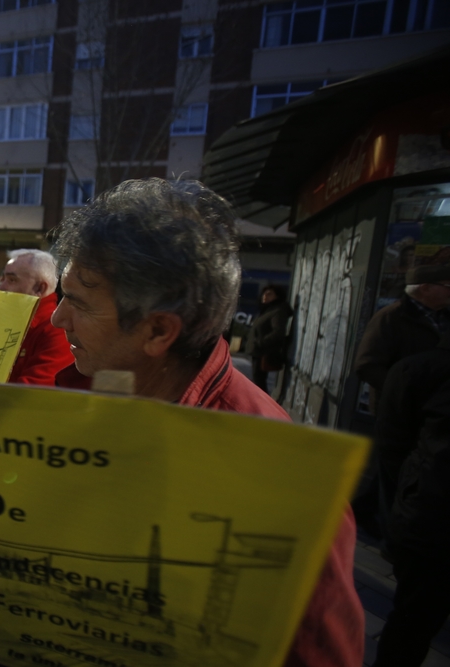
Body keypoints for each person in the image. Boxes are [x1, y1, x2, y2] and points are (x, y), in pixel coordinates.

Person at [42, 178, 363, 666]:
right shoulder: (95, 391)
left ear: (157, 330)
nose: (57, 320)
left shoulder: (279, 474)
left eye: (80, 304)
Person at [352, 264, 450, 535]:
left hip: (433, 411)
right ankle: (391, 532)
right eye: (447, 286)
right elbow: (367, 364)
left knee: (404, 469)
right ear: (425, 288)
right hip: (398, 410)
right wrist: (403, 391)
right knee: (394, 467)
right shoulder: (392, 317)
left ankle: (364, 511)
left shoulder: (444, 317)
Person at [372, 329, 450, 666]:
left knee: (412, 622)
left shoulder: (420, 369)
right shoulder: (423, 370)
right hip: (433, 520)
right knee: (413, 622)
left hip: (428, 514)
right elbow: (392, 445)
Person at [0, 249, 74, 385]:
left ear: (40, 288)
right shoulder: (10, 320)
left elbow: (32, 391)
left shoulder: (56, 330)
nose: (1, 287)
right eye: (2, 278)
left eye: (11, 280)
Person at [246, 285, 293, 392]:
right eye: (264, 293)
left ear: (277, 296)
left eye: (269, 294)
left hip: (264, 352)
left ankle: (261, 407)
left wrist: (260, 342)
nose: (265, 296)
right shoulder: (267, 310)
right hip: (258, 352)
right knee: (257, 382)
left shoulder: (277, 311)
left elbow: (278, 332)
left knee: (259, 383)